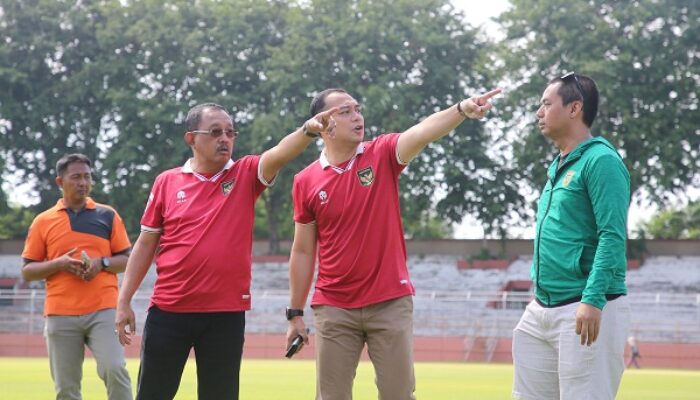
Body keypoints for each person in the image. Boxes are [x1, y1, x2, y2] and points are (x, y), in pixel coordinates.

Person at [285, 87, 500, 399]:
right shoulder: (305, 180)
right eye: (345, 111)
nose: (357, 116)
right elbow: (303, 250)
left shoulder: (382, 153)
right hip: (334, 307)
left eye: (357, 108)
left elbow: (423, 132)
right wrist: (294, 313)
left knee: (398, 394)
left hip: (389, 301)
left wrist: (462, 109)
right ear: (322, 123)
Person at [115, 102, 338, 400]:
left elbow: (280, 153)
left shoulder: (245, 174)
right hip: (169, 311)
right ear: (191, 138)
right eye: (216, 132)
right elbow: (145, 243)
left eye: (230, 133)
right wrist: (124, 300)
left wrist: (308, 130)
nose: (225, 139)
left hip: (225, 314)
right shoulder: (167, 182)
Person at [512, 73, 631, 400]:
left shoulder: (601, 161)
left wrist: (592, 300)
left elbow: (612, 236)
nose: (539, 112)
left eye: (546, 104)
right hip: (541, 309)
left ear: (575, 108)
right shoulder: (560, 166)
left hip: (586, 307)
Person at [21, 153, 133, 400]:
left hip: (103, 309)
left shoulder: (108, 215)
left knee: (115, 369)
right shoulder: (43, 221)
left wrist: (101, 263)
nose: (83, 183)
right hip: (60, 313)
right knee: (66, 388)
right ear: (60, 182)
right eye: (76, 177)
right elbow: (28, 271)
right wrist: (59, 264)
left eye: (87, 177)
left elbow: (127, 259)